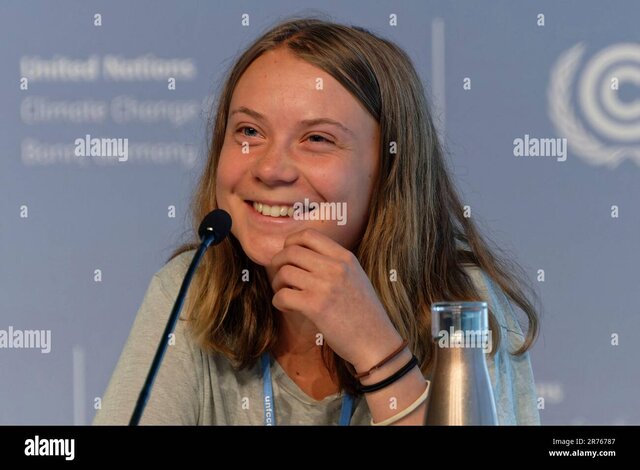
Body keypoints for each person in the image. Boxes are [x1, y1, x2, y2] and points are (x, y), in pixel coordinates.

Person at [94, 17, 541, 426]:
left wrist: (378, 353)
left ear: (389, 170)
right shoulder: (190, 291)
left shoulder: (461, 305)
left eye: (317, 139)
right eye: (249, 131)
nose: (270, 169)